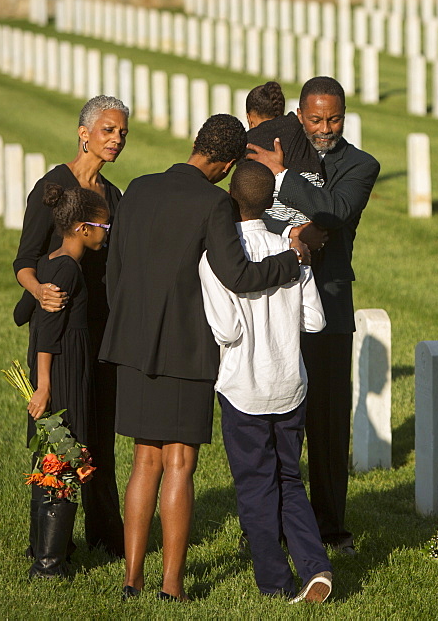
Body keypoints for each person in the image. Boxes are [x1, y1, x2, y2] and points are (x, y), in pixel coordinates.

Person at [100, 114, 310, 603]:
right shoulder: (213, 201)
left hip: (131, 344)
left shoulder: (138, 188)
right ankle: (172, 585)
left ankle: (132, 579)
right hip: (186, 347)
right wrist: (291, 260)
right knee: (179, 463)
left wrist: (130, 325)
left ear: (196, 144)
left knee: (142, 462)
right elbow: (236, 274)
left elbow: (115, 268)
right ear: (229, 163)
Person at [247, 76, 381, 555]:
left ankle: (330, 528)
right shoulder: (274, 144)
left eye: (335, 118)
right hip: (276, 298)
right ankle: (272, 524)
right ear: (300, 115)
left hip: (328, 300)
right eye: (316, 118)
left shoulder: (361, 165)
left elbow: (335, 211)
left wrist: (282, 178)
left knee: (326, 420)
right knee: (277, 418)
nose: (325, 127)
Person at [199, 160, 332, 603]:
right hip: (290, 383)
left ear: (230, 200)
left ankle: (275, 583)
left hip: (244, 388)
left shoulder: (215, 258)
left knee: (256, 487)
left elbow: (227, 331)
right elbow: (314, 320)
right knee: (290, 479)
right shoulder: (290, 249)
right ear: (270, 202)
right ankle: (315, 566)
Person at [14, 95, 129, 559]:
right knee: (60, 439)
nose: (117, 139)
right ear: (84, 133)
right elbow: (24, 261)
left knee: (99, 436)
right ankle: (46, 548)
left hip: (102, 333)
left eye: (122, 131)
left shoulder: (113, 197)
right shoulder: (53, 188)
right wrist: (40, 289)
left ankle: (106, 536)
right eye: (108, 130)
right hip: (60, 330)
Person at [25, 183, 112, 579]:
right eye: (103, 226)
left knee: (53, 457)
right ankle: (49, 565)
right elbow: (46, 329)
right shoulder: (67, 269)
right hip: (61, 372)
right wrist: (44, 387)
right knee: (64, 458)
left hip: (59, 369)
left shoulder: (51, 260)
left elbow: (21, 310)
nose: (105, 232)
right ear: (82, 228)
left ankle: (43, 551)